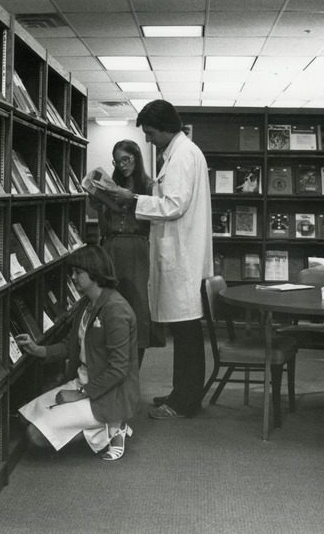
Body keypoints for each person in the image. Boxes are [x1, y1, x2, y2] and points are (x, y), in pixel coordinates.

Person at [108, 100, 213, 420]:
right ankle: (181, 393)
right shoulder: (182, 153)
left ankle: (185, 402)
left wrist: (134, 199)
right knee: (184, 334)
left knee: (187, 335)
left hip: (182, 257)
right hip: (181, 254)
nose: (148, 139)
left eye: (151, 133)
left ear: (167, 127)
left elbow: (174, 206)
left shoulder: (183, 156)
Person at [16, 244, 139, 461]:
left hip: (109, 393)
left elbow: (119, 371)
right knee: (24, 418)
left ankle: (112, 427)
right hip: (84, 381)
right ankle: (100, 427)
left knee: (35, 436)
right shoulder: (87, 303)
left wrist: (79, 394)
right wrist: (38, 349)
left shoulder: (116, 309)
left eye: (77, 272)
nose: (72, 276)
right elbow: (70, 345)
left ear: (95, 272)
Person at [89, 139, 158, 367]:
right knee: (110, 305)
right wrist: (98, 205)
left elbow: (154, 220)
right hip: (111, 248)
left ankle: (133, 373)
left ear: (136, 157)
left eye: (125, 159)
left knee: (136, 307)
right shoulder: (111, 185)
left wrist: (133, 200)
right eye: (117, 161)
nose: (121, 165)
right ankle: (110, 368)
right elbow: (106, 225)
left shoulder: (148, 186)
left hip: (136, 249)